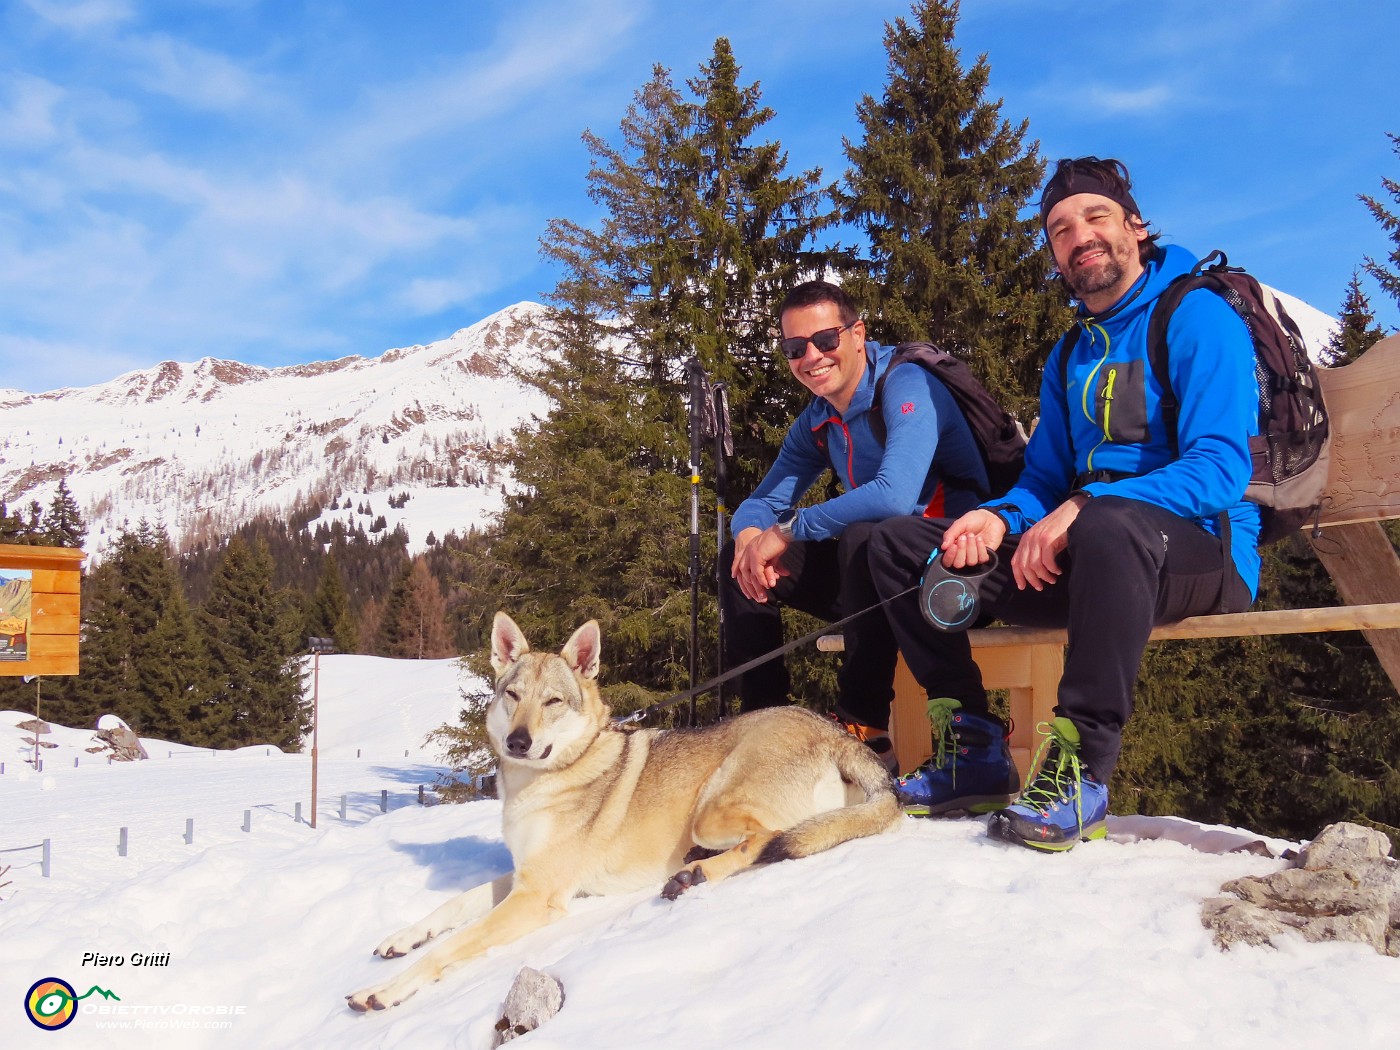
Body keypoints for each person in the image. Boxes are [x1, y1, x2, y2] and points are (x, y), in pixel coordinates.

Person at [867, 157, 1261, 848]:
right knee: (902, 544)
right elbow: (1043, 482)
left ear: (1135, 227)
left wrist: (1085, 508)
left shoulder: (1198, 316)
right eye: (1059, 228)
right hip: (1092, 559)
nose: (1079, 235)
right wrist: (996, 518)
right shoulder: (1069, 353)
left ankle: (1080, 767)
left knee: (1108, 520)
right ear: (1054, 254)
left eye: (1095, 216)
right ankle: (972, 745)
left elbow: (1223, 467)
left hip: (1198, 553)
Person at [722, 280, 990, 772]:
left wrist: (785, 530)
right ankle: (765, 734)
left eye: (825, 340)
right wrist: (749, 537)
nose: (812, 357)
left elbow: (894, 494)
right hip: (875, 582)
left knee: (868, 534)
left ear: (858, 334)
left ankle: (864, 727)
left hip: (953, 572)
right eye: (795, 347)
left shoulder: (907, 384)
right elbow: (761, 501)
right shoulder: (817, 420)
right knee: (739, 558)